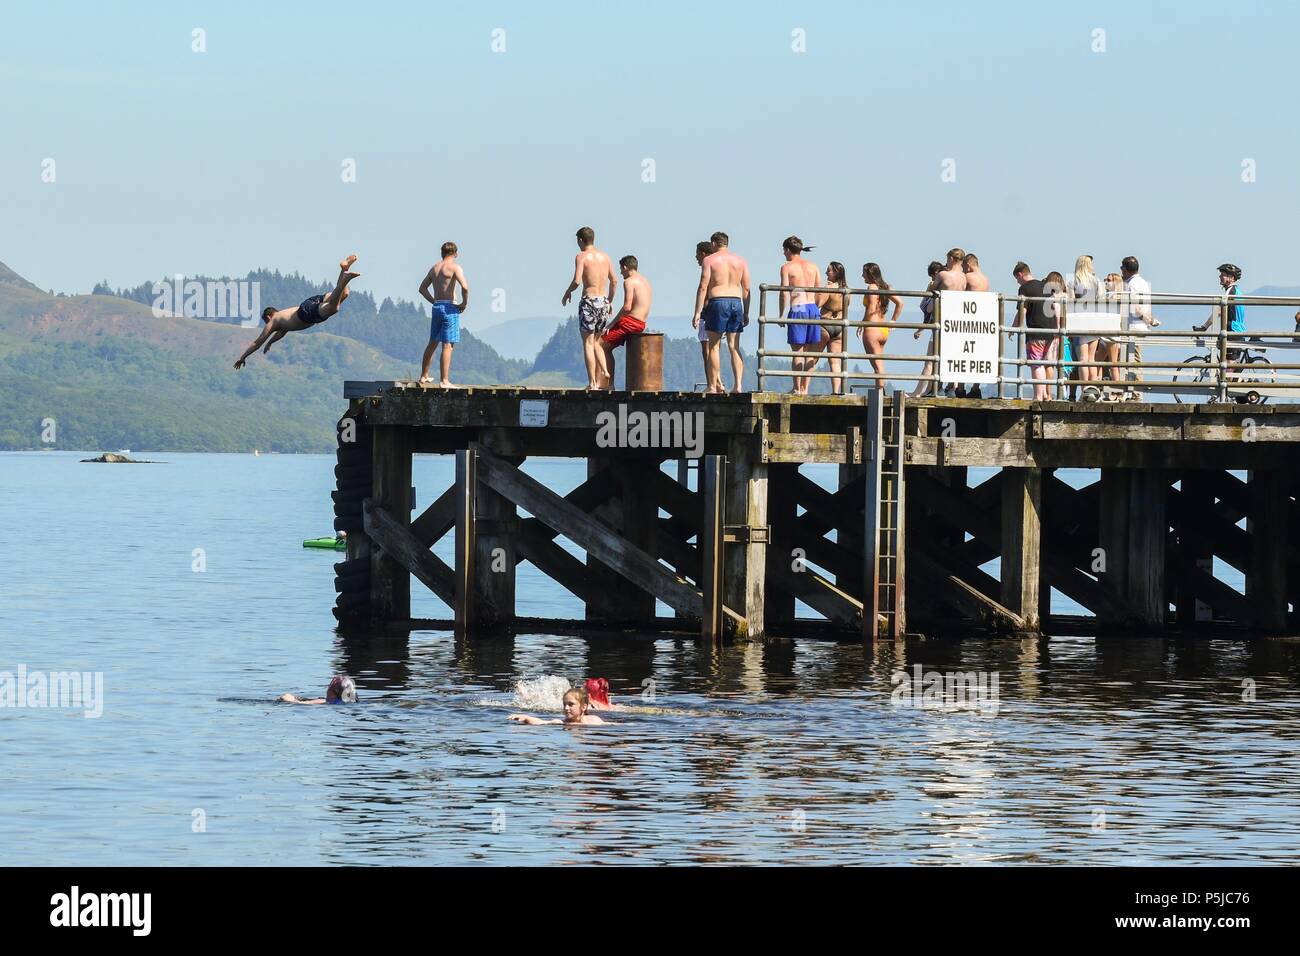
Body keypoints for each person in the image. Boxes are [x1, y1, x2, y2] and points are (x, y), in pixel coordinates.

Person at [234, 255, 360, 368]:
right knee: (344, 294)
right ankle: (344, 269)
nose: (266, 325)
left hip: (305, 314)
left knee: (334, 308)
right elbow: (281, 333)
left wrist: (242, 357)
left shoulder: (273, 321)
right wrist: (271, 342)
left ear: (268, 316)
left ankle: (346, 279)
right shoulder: (283, 320)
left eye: (265, 321)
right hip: (309, 303)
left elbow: (257, 343)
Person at [693, 231, 751, 394]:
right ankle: (738, 386)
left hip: (718, 302)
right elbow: (746, 289)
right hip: (736, 302)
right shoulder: (740, 261)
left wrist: (698, 312)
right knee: (734, 347)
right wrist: (746, 312)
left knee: (714, 347)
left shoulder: (709, 260)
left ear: (713, 244)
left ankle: (713, 386)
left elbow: (703, 286)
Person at [561, 226, 617, 390]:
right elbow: (614, 281)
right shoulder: (605, 257)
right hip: (603, 302)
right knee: (597, 342)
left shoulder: (581, 257)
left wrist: (567, 292)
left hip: (589, 301)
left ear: (580, 240)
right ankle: (604, 375)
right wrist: (609, 301)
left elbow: (577, 281)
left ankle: (593, 382)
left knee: (587, 342)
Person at [417, 242, 470, 387]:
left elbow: (422, 289)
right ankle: (444, 380)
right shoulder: (455, 267)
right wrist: (464, 304)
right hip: (450, 307)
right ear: (456, 253)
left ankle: (423, 376)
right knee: (447, 345)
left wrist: (434, 301)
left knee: (433, 342)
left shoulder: (434, 268)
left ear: (442, 253)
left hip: (437, 306)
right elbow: (465, 287)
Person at [598, 256, 653, 389]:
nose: (621, 273)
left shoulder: (629, 281)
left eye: (621, 270)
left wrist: (611, 324)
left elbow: (627, 307)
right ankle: (607, 383)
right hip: (641, 322)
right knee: (604, 345)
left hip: (630, 322)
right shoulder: (645, 281)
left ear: (625, 267)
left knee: (599, 344)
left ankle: (608, 384)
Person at [779, 236, 821, 395]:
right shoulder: (813, 266)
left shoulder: (787, 267)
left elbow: (783, 292)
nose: (783, 254)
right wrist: (816, 307)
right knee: (809, 352)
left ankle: (797, 388)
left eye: (784, 251)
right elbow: (819, 290)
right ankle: (805, 388)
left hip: (798, 307)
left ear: (788, 250)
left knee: (797, 351)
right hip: (813, 307)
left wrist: (781, 314)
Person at [1193, 263, 1248, 380]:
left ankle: (1236, 388)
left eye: (1222, 275)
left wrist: (1204, 327)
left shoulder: (1230, 292)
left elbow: (1219, 311)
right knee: (1230, 369)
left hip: (1232, 331)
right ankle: (1235, 387)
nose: (1220, 277)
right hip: (1237, 331)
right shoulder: (1236, 290)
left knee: (1228, 368)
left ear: (1231, 278)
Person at [1010, 262, 1055, 401]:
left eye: (1017, 279)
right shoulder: (1044, 285)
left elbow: (1022, 311)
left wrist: (1014, 327)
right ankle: (1047, 395)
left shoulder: (1025, 288)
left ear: (1020, 274)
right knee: (1045, 363)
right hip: (1050, 330)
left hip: (1036, 330)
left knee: (1036, 364)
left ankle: (1038, 396)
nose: (1018, 282)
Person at [1120, 255, 1159, 398]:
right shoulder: (1142, 282)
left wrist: (1147, 319)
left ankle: (1136, 392)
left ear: (1125, 269)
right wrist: (1150, 319)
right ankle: (1134, 391)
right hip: (1141, 326)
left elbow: (1135, 308)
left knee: (1133, 360)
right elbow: (1146, 304)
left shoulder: (1132, 284)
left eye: (1121, 268)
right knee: (1134, 359)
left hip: (1134, 325)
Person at [860, 262, 903, 388]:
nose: (862, 276)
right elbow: (900, 303)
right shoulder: (885, 286)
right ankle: (880, 390)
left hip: (872, 327)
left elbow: (872, 306)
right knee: (879, 363)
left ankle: (879, 393)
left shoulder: (872, 287)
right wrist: (893, 320)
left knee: (877, 365)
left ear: (869, 274)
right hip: (883, 328)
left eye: (864, 272)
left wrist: (862, 323)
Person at [933, 248, 968, 396]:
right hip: (958, 317)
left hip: (943, 315)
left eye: (947, 259)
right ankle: (952, 387)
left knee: (936, 353)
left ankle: (936, 387)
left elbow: (932, 288)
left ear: (952, 259)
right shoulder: (964, 277)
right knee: (953, 353)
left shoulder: (943, 274)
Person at [910, 260, 945, 398]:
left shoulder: (936, 286)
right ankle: (933, 389)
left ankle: (918, 392)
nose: (932, 279)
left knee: (929, 363)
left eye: (933, 276)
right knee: (941, 362)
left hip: (938, 328)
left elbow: (927, 309)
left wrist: (931, 291)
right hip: (948, 328)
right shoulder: (954, 283)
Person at [1068, 255, 1103, 389]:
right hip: (1093, 321)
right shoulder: (1096, 281)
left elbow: (1070, 304)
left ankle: (1084, 389)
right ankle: (1093, 388)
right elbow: (1101, 301)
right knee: (1091, 358)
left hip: (1079, 322)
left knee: (1082, 359)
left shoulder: (1073, 282)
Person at [816, 261, 850, 394]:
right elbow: (847, 306)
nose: (826, 273)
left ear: (836, 272)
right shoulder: (847, 291)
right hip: (840, 325)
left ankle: (802, 388)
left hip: (825, 323)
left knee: (812, 357)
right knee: (835, 362)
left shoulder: (830, 288)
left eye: (828, 271)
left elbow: (818, 304)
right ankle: (836, 391)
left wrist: (824, 289)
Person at [960, 253, 990, 398]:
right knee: (978, 356)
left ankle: (960, 387)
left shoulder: (968, 278)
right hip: (981, 320)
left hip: (967, 318)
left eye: (964, 267)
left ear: (969, 265)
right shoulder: (985, 280)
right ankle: (975, 388)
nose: (963, 271)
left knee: (962, 352)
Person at [508, 686, 607, 725]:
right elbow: (541, 722)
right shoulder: (561, 722)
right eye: (564, 704)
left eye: (571, 704)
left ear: (584, 707)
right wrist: (526, 717)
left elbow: (612, 725)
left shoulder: (594, 720)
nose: (566, 708)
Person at [1043, 271, 1073, 399]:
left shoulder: (1051, 297)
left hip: (1054, 333)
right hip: (1066, 335)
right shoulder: (1067, 297)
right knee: (1064, 365)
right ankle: (1064, 393)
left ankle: (1048, 394)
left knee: (1049, 364)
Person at [693, 241, 715, 384]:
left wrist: (697, 312)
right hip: (717, 311)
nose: (696, 257)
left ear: (703, 254)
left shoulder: (708, 267)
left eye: (697, 254)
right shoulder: (719, 268)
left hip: (707, 312)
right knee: (714, 349)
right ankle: (716, 381)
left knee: (707, 350)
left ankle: (712, 383)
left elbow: (703, 290)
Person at [280, 675, 357, 706]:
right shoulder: (346, 701)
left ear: (335, 689)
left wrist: (287, 698)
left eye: (331, 683)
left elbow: (299, 704)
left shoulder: (326, 701)